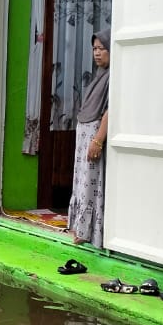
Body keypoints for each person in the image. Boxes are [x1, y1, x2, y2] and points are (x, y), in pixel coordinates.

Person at [69, 29, 110, 247]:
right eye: (94, 49)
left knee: (91, 184)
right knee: (82, 182)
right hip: (85, 135)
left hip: (94, 137)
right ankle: (80, 228)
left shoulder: (113, 77)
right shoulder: (99, 77)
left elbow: (109, 111)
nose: (97, 53)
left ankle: (88, 233)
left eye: (102, 49)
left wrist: (98, 140)